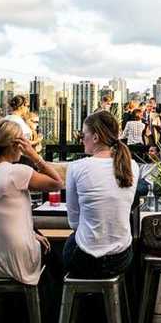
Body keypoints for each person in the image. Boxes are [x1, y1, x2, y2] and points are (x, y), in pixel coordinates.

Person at [0, 119, 64, 323]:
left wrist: (30, 233)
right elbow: (57, 182)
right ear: (16, 145)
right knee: (56, 261)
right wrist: (34, 155)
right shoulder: (16, 172)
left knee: (31, 259)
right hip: (12, 257)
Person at [64, 111, 138, 280]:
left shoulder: (76, 167)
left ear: (95, 137)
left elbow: (74, 222)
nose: (82, 139)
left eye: (84, 135)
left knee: (66, 246)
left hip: (86, 259)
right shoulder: (132, 166)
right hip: (121, 258)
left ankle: (74, 303)